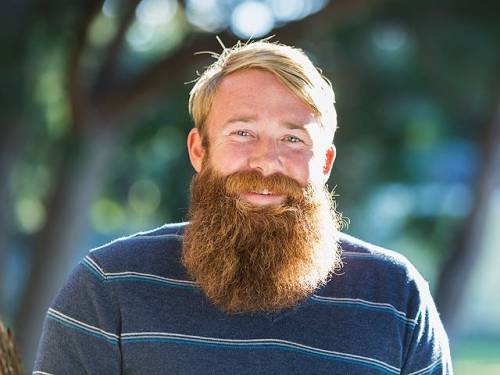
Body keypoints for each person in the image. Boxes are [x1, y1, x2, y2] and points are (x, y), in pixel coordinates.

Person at [33, 40, 453, 374]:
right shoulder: (109, 287)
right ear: (200, 150)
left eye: (293, 139)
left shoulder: (395, 296)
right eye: (242, 132)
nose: (267, 161)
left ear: (324, 163)